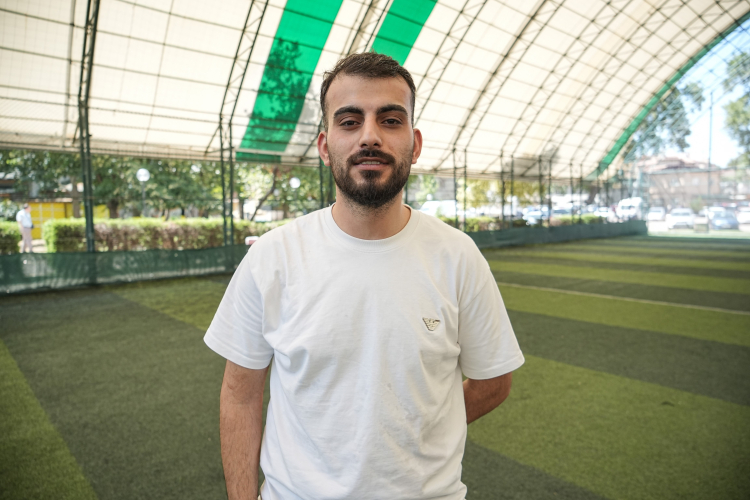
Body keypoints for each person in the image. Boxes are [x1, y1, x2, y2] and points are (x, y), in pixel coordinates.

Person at [204, 52, 524, 500]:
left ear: (414, 143)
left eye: (390, 121)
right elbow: (240, 397)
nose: (370, 136)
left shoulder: (458, 256)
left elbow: (494, 381)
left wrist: (420, 429)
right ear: (324, 146)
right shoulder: (272, 258)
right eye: (350, 121)